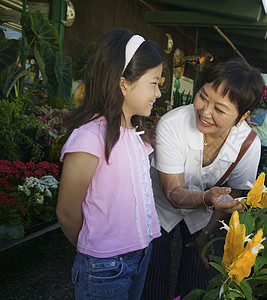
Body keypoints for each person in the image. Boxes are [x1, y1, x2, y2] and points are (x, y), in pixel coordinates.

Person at [142, 58, 265, 299]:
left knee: (199, 274)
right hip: (161, 206)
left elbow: (233, 197)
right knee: (153, 268)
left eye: (219, 109)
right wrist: (208, 198)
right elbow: (173, 193)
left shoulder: (248, 144)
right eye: (203, 96)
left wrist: (206, 236)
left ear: (243, 116)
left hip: (206, 214)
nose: (205, 112)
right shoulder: (172, 124)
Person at [56, 27, 163, 300]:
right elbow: (67, 212)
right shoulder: (90, 138)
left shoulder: (137, 135)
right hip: (104, 267)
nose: (159, 93)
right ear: (124, 83)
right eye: (154, 83)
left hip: (140, 255)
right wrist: (94, 245)